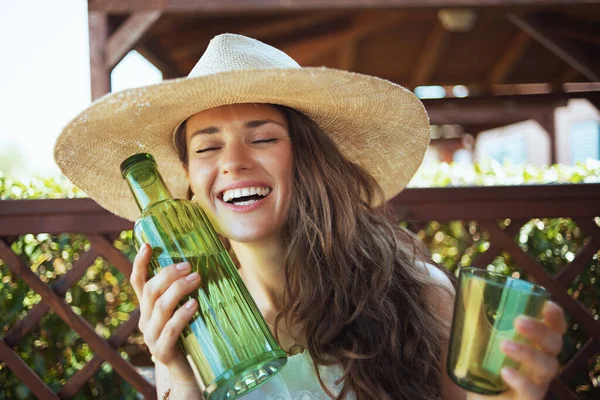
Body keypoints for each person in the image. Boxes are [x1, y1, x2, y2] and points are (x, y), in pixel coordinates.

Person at [54, 34, 567, 400]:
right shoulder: (192, 330)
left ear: (307, 159)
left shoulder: (417, 292)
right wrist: (180, 378)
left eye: (263, 138)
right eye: (208, 148)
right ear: (189, 184)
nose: (234, 161)